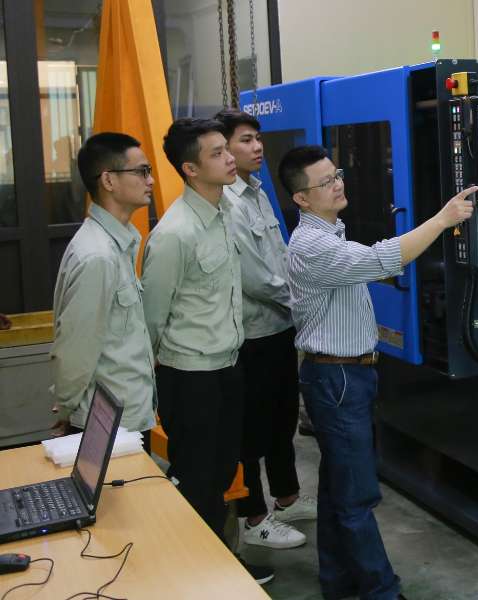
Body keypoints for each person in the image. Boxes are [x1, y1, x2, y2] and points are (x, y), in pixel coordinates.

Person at [279, 145, 476, 600]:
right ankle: (382, 591)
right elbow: (381, 260)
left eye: (337, 174)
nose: (338, 184)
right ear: (302, 198)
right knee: (357, 497)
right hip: (337, 380)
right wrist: (443, 219)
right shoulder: (313, 246)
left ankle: (338, 581)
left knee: (338, 489)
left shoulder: (330, 233)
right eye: (326, 182)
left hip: (345, 376)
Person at [140, 118, 272, 585]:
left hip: (227, 368)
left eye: (226, 149)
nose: (231, 158)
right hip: (189, 376)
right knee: (196, 479)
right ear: (190, 169)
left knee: (219, 476)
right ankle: (194, 576)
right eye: (217, 153)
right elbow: (150, 318)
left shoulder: (223, 215)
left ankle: (218, 565)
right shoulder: (175, 234)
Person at [215, 109, 311, 552]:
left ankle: (286, 498)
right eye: (245, 140)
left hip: (278, 325)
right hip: (252, 333)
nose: (256, 147)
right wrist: (303, 299)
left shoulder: (257, 191)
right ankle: (253, 516)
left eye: (258, 138)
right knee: (251, 429)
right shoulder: (228, 203)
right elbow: (255, 277)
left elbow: (280, 254)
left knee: (281, 417)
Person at [50, 132, 156, 451]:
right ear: (108, 180)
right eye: (141, 171)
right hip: (107, 425)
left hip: (125, 414)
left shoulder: (116, 243)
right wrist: (67, 409)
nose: (150, 180)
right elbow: (76, 349)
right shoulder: (97, 255)